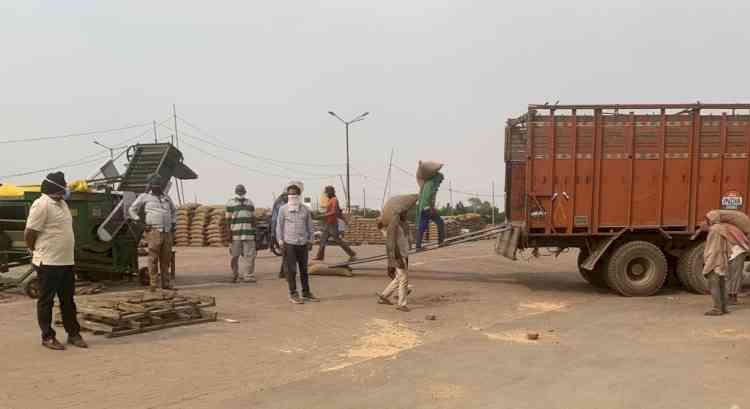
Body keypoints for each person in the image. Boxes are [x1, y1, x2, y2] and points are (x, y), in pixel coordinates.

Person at [25, 171, 87, 350]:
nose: (66, 189)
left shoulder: (62, 204)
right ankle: (48, 336)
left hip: (66, 261)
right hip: (49, 262)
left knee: (68, 300)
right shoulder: (41, 204)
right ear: (55, 188)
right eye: (63, 186)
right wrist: (34, 250)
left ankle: (73, 334)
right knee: (47, 301)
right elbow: (30, 232)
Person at [129, 174, 176, 291]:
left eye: (158, 184)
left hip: (167, 232)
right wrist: (139, 222)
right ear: (149, 185)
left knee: (166, 260)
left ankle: (166, 284)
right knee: (153, 259)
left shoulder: (166, 197)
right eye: (154, 184)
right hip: (154, 231)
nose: (157, 186)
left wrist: (174, 223)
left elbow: (174, 210)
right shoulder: (144, 197)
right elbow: (132, 209)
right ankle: (153, 284)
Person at [276, 183, 318, 304]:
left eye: (295, 193)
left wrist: (311, 241)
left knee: (304, 270)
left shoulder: (305, 209)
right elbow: (279, 227)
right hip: (289, 244)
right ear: (287, 195)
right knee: (292, 270)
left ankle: (306, 292)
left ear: (299, 195)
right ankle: (293, 293)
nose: (292, 195)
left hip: (303, 244)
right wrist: (280, 242)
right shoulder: (283, 209)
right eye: (290, 194)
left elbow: (310, 226)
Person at [705, 210, 749, 306]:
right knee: (729, 275)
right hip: (732, 252)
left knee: (735, 275)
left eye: (708, 219)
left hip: (737, 252)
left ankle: (733, 297)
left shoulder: (718, 228)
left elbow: (717, 245)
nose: (707, 221)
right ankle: (728, 297)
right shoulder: (722, 227)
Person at [376, 210, 413, 312]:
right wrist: (398, 259)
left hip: (403, 255)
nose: (406, 215)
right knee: (403, 279)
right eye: (404, 214)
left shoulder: (400, 227)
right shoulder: (394, 228)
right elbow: (392, 244)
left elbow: (406, 241)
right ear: (399, 215)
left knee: (398, 278)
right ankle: (402, 304)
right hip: (399, 256)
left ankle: (384, 296)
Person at [314, 186, 356, 262]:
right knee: (323, 240)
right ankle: (320, 256)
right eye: (325, 192)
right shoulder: (331, 200)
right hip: (328, 224)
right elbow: (339, 212)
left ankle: (352, 254)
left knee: (338, 240)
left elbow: (334, 212)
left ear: (331, 192)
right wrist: (345, 221)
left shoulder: (334, 200)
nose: (326, 194)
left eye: (327, 192)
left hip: (332, 224)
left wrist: (322, 216)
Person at [225, 184, 257, 283]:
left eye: (242, 190)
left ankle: (248, 275)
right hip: (235, 234)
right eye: (238, 190)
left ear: (245, 192)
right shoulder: (230, 203)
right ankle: (235, 274)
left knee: (250, 255)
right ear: (235, 191)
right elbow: (227, 219)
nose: (240, 192)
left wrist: (254, 231)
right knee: (235, 255)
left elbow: (253, 218)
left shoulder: (250, 202)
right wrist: (228, 233)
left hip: (248, 233)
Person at [415, 171, 445, 250]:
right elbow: (429, 196)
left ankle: (418, 246)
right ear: (437, 178)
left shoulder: (426, 184)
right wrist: (431, 208)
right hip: (428, 208)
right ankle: (441, 242)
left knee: (422, 227)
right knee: (440, 222)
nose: (440, 182)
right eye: (440, 180)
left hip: (422, 208)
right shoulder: (432, 184)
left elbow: (422, 197)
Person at [271, 192, 292, 279]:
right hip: (282, 232)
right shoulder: (280, 205)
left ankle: (283, 272)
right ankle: (285, 273)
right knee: (287, 253)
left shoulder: (280, 203)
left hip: (286, 231)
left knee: (286, 253)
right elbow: (275, 219)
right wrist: (273, 233)